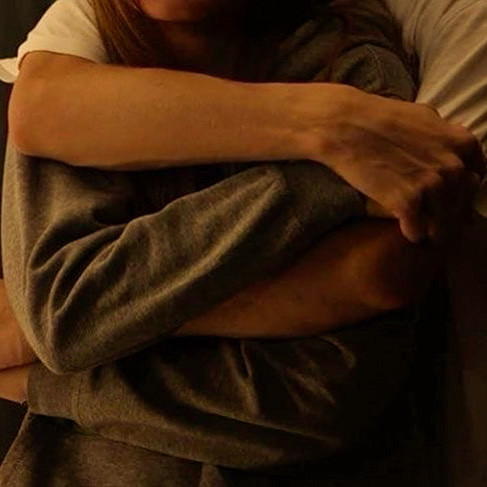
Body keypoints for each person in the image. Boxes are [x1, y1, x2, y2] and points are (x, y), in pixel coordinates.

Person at [0, 0, 484, 485]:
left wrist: (60, 373)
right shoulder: (85, 50)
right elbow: (67, 309)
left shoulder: (358, 67)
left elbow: (316, 395)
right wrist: (327, 180)